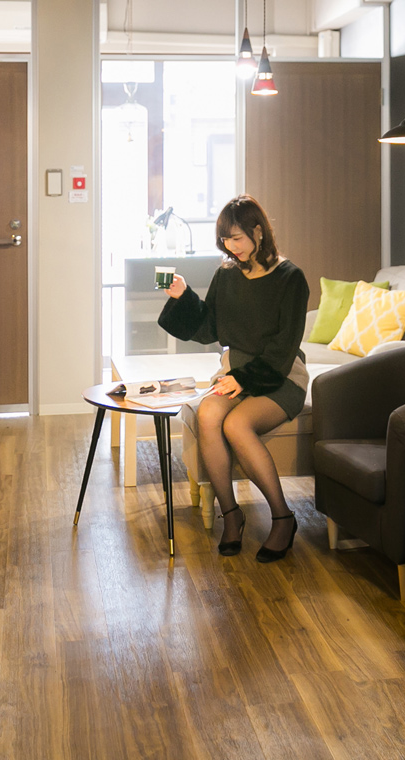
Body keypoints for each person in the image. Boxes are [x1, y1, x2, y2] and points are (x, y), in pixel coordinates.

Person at [158, 195, 309, 562]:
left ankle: (283, 517)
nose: (231, 247)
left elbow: (283, 347)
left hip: (280, 373)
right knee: (209, 415)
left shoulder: (291, 279)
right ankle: (232, 515)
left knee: (237, 424)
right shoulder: (227, 273)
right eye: (225, 240)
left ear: (259, 232)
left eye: (237, 238)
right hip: (235, 372)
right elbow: (210, 326)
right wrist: (182, 296)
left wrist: (244, 378)